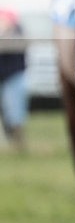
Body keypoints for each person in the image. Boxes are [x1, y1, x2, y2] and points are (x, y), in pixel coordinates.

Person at [0, 8, 28, 149]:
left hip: (13, 74)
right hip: (8, 74)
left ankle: (17, 142)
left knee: (14, 110)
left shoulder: (16, 31)